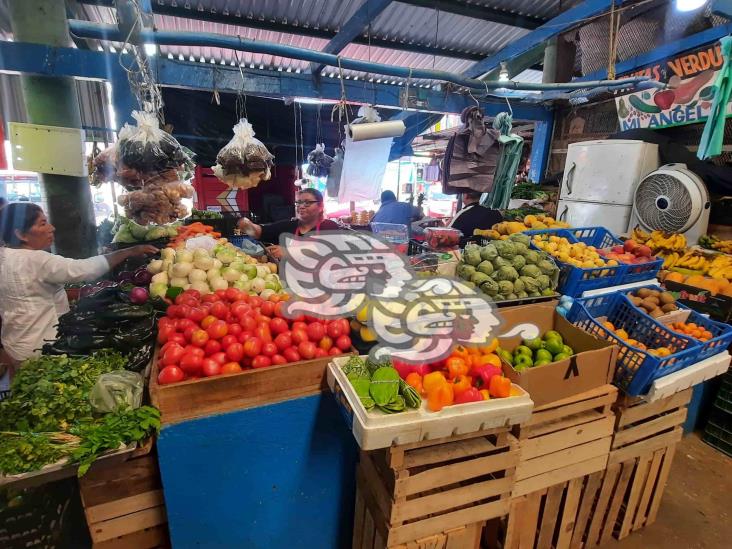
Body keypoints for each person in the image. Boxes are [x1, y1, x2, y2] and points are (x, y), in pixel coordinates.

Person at [0, 203, 158, 385]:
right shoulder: (36, 260)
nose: (52, 228)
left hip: (15, 344)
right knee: (53, 392)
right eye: (43, 224)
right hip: (44, 346)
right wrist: (129, 251)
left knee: (26, 389)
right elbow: (83, 270)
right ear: (21, 234)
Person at [237, 188, 339, 259]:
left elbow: (323, 249)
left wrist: (287, 252)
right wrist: (247, 226)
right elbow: (260, 232)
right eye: (298, 202)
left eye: (307, 202)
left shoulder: (329, 226)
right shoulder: (289, 225)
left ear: (321, 206)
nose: (301, 206)